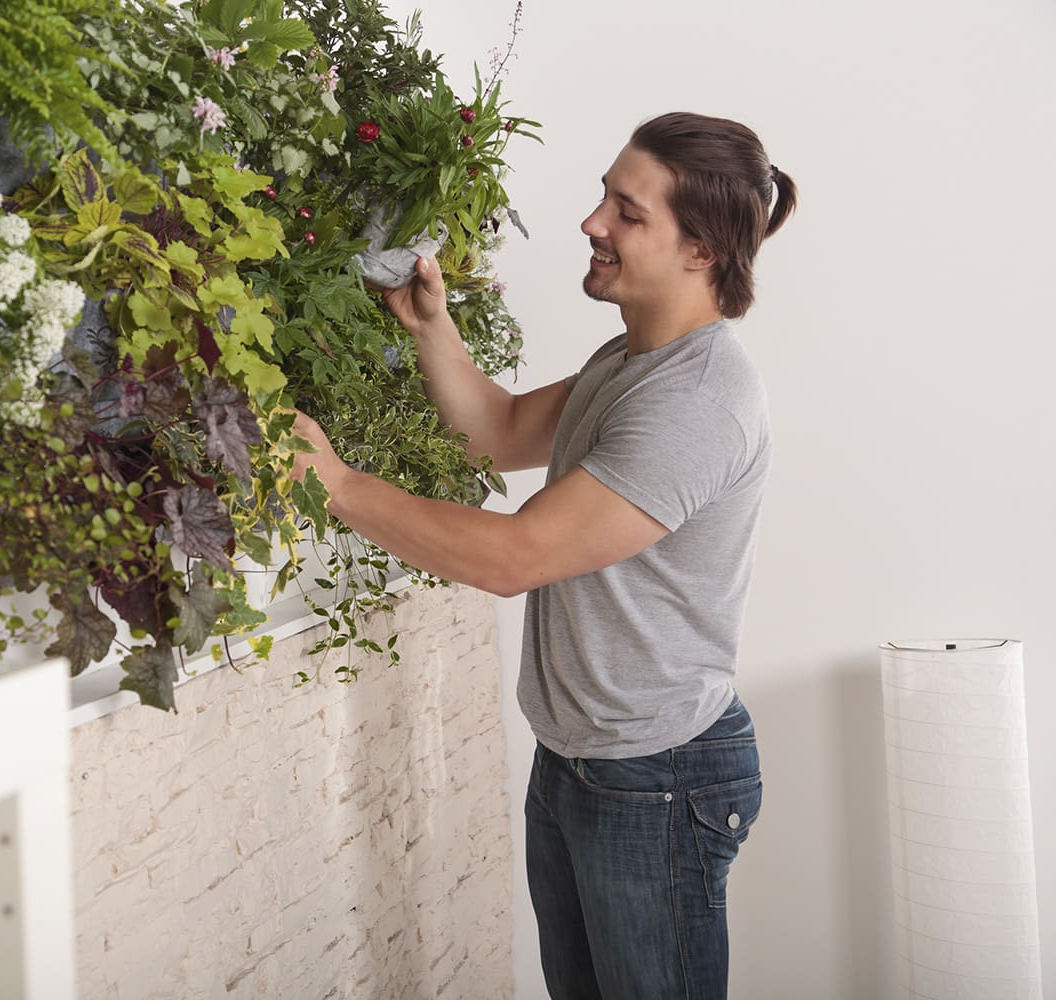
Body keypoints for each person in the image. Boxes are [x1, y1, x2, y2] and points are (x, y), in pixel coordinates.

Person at [289, 111, 798, 998]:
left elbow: (516, 556)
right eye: (605, 195)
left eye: (627, 212)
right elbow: (502, 432)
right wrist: (429, 326)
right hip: (584, 762)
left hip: (658, 778)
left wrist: (336, 484)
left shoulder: (698, 400)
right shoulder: (632, 358)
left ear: (700, 250)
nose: (592, 221)